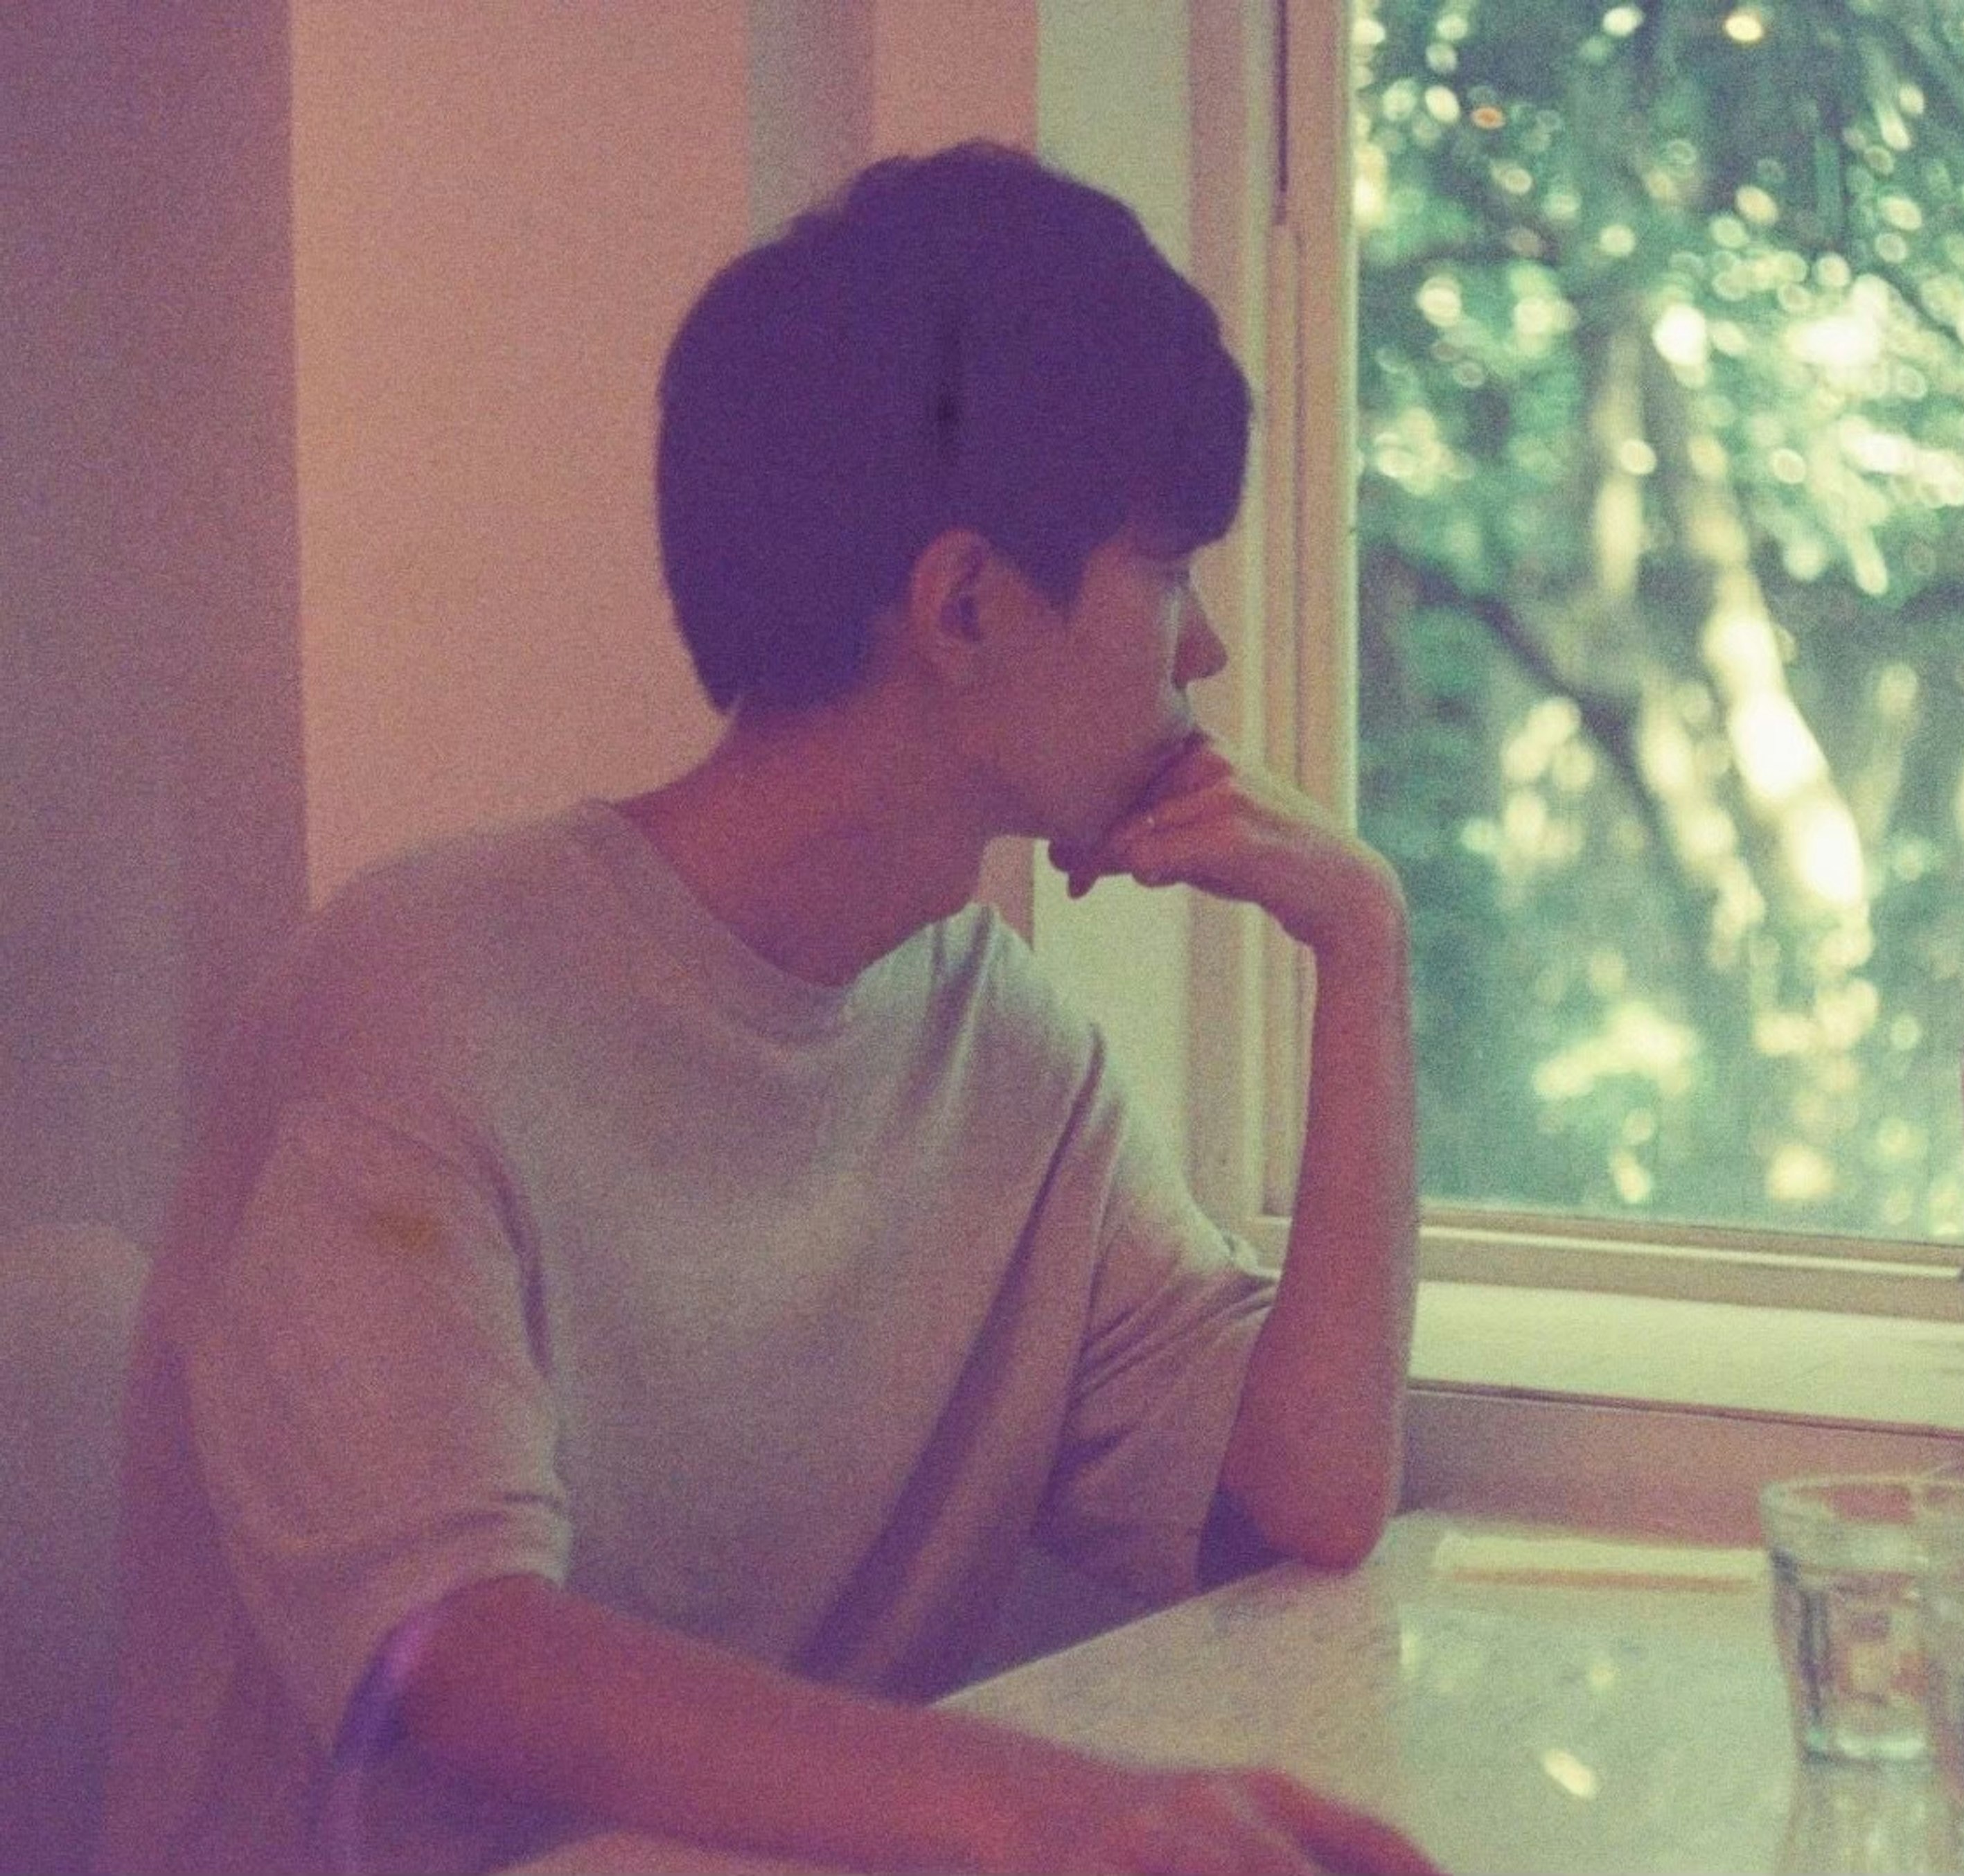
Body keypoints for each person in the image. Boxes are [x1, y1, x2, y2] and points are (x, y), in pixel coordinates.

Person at [101, 143, 1435, 1876]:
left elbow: (1306, 1501)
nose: (1205, 661)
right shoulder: (417, 998)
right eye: (1167, 567)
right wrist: (1060, 1813)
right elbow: (463, 1657)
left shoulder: (1001, 1050)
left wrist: (1368, 948)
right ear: (964, 603)